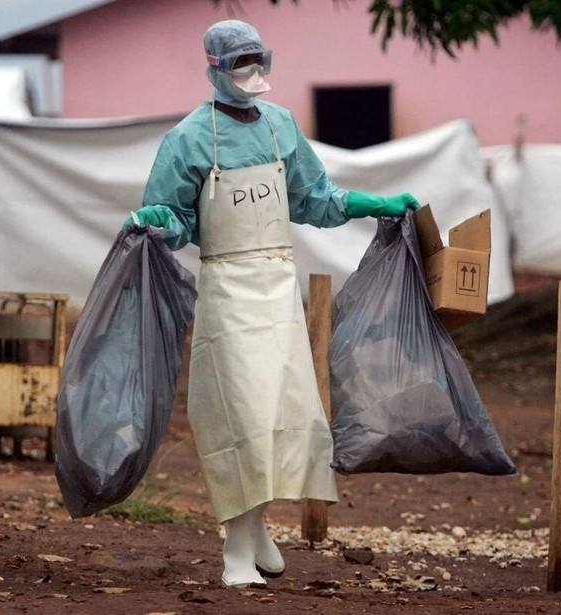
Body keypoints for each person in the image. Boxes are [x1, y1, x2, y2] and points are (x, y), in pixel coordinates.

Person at [123, 19, 420, 588]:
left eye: (259, 59)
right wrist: (162, 220)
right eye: (239, 62)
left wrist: (373, 203)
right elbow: (176, 221)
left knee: (282, 412)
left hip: (277, 287)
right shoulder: (188, 138)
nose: (252, 71)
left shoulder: (281, 125)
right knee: (239, 411)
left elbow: (315, 200)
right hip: (228, 290)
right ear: (214, 67)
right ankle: (235, 545)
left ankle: (256, 527)